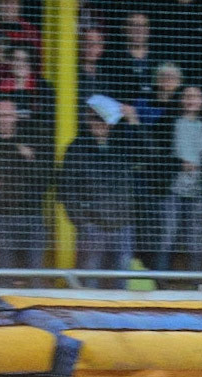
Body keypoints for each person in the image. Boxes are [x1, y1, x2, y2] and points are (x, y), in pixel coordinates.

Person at [58, 99, 144, 289]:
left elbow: (147, 153)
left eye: (103, 118)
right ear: (87, 119)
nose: (99, 123)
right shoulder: (76, 148)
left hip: (122, 224)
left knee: (121, 282)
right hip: (93, 228)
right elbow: (67, 188)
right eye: (94, 118)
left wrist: (134, 121)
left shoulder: (122, 145)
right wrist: (82, 221)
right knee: (90, 281)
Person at [0, 97, 49, 284]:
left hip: (32, 215)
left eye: (8, 115)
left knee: (35, 274)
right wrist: (20, 152)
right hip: (0, 217)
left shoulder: (35, 139)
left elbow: (43, 178)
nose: (3, 119)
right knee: (4, 272)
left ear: (16, 117)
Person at [155, 86, 202, 274]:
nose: (191, 100)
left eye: (195, 96)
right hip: (173, 191)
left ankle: (196, 283)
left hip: (197, 193)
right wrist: (180, 164)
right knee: (167, 237)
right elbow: (159, 155)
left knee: (195, 240)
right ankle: (161, 282)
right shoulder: (170, 123)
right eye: (187, 96)